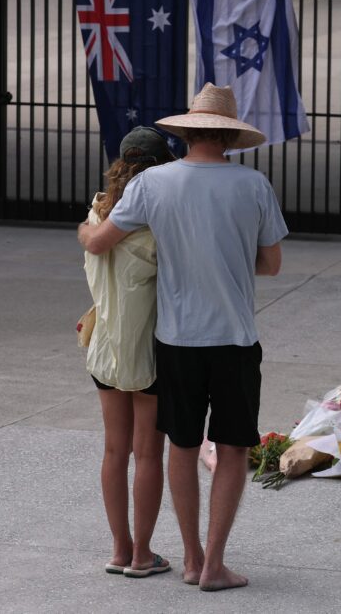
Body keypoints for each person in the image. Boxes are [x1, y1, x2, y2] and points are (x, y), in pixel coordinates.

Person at [77, 83, 287, 591]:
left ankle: (190, 559)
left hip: (175, 339)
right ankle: (215, 564)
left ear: (187, 131)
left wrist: (84, 232)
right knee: (232, 449)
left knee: (182, 447)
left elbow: (101, 242)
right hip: (235, 339)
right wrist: (226, 258)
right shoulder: (254, 186)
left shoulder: (154, 184)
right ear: (230, 135)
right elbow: (271, 264)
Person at [79, 126, 175, 578]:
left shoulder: (96, 215)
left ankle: (120, 549)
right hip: (149, 347)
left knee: (114, 451)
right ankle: (143, 554)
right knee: (148, 454)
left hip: (104, 347)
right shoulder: (158, 222)